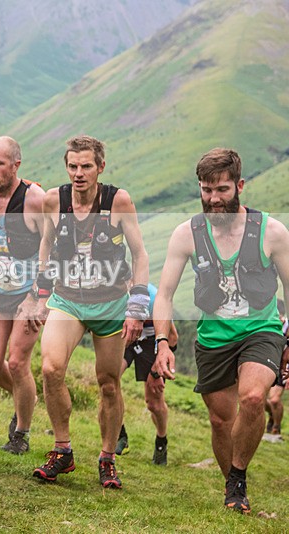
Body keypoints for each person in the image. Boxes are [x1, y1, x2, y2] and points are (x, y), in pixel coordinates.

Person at [152, 148, 289, 514]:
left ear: (239, 186)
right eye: (206, 189)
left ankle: (238, 480)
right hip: (213, 337)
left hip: (261, 329)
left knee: (254, 398)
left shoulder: (272, 232)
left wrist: (288, 339)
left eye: (222, 189)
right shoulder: (187, 234)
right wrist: (162, 342)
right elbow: (163, 294)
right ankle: (232, 482)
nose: (214, 199)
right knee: (219, 420)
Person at [31, 135, 149, 489]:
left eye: (86, 166)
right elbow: (46, 245)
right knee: (51, 369)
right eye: (72, 166)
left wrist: (137, 306)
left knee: (109, 384)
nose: (78, 174)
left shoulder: (118, 201)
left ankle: (108, 457)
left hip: (111, 302)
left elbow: (140, 254)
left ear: (100, 167)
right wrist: (41, 293)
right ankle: (62, 450)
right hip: (67, 298)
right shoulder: (54, 200)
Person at [0, 136, 45, 454]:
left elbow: (56, 249)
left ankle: (20, 433)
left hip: (27, 294)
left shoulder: (34, 199)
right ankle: (26, 400)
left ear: (16, 165)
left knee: (17, 363)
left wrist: (39, 297)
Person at [114, 282, 179, 465]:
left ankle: (161, 440)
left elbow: (172, 337)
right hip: (128, 335)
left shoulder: (153, 298)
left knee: (154, 402)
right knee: (109, 380)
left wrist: (156, 373)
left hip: (152, 341)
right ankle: (120, 435)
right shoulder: (114, 293)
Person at [264, 299, 289, 438]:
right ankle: (272, 415)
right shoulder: (267, 325)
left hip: (282, 368)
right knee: (259, 399)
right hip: (267, 364)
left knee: (274, 400)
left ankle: (276, 428)